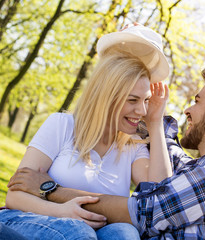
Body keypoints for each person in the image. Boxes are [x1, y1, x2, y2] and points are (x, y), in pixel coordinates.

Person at [7, 63, 205, 239]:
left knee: (121, 232)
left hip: (77, 222)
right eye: (134, 100)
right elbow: (166, 154)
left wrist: (51, 189)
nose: (187, 110)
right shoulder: (200, 169)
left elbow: (149, 207)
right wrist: (140, 50)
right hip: (48, 224)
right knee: (88, 233)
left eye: (197, 101)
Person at [0, 25, 173, 240]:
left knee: (125, 233)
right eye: (132, 100)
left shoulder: (133, 145)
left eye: (146, 100)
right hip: (33, 219)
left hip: (93, 231)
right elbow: (15, 196)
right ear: (107, 96)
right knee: (78, 231)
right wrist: (62, 211)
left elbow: (160, 197)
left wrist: (155, 123)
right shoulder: (62, 125)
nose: (142, 111)